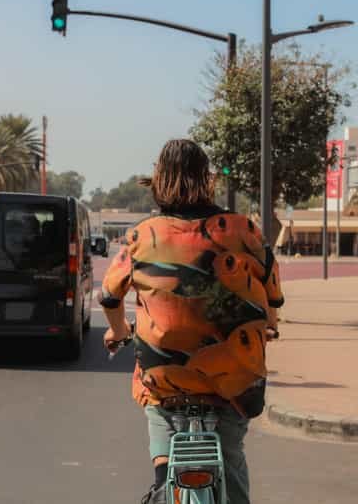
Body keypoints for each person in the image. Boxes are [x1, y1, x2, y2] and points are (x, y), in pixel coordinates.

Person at [99, 139, 283, 504]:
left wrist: (119, 330)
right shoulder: (244, 229)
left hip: (166, 375)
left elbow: (108, 296)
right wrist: (270, 323)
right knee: (231, 455)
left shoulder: (142, 236)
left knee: (157, 407)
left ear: (159, 179)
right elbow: (272, 293)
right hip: (236, 377)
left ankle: (161, 478)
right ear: (208, 180)